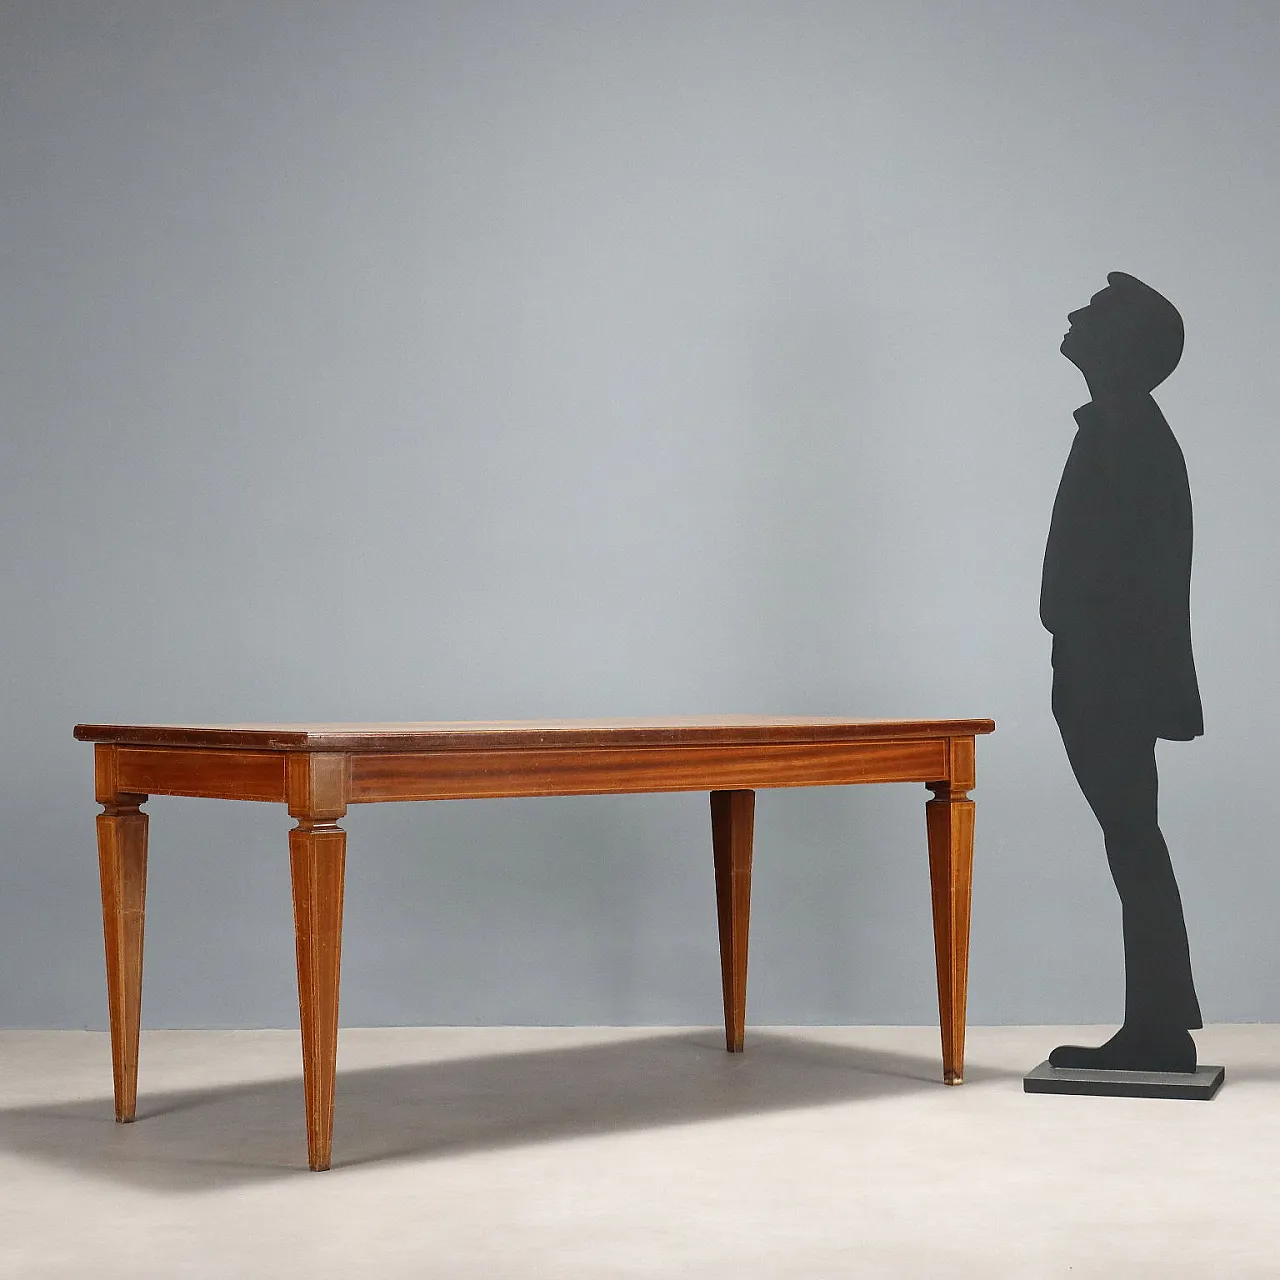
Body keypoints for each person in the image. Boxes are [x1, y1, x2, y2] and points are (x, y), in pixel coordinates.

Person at [1040, 271, 1203, 1073]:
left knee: (1133, 840)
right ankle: (1159, 1019)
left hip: (1112, 677)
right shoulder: (1119, 427)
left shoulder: (1128, 432)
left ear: (1125, 345)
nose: (1075, 314)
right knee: (1133, 840)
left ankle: (1159, 1026)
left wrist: (1090, 651)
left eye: (1096, 312)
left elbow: (1137, 571)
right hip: (1103, 671)